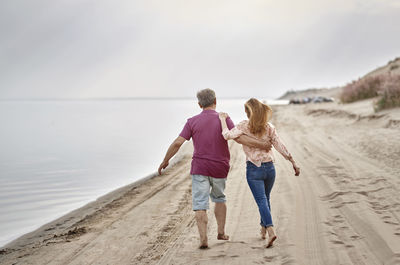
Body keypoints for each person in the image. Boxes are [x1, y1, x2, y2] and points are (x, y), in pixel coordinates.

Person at [158, 89, 272, 249]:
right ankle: (221, 232)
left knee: (200, 203)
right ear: (215, 101)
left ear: (199, 104)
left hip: (199, 167)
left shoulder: (192, 121)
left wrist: (165, 160)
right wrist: (262, 145)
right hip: (220, 166)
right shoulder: (224, 119)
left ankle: (203, 239)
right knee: (219, 198)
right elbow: (239, 137)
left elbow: (178, 143)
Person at [219, 98, 300, 248]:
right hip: (270, 169)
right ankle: (263, 229)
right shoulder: (269, 127)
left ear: (248, 112)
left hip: (254, 169)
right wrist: (293, 162)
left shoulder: (244, 125)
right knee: (266, 199)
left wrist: (223, 119)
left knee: (262, 201)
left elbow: (226, 135)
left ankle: (270, 230)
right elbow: (280, 146)